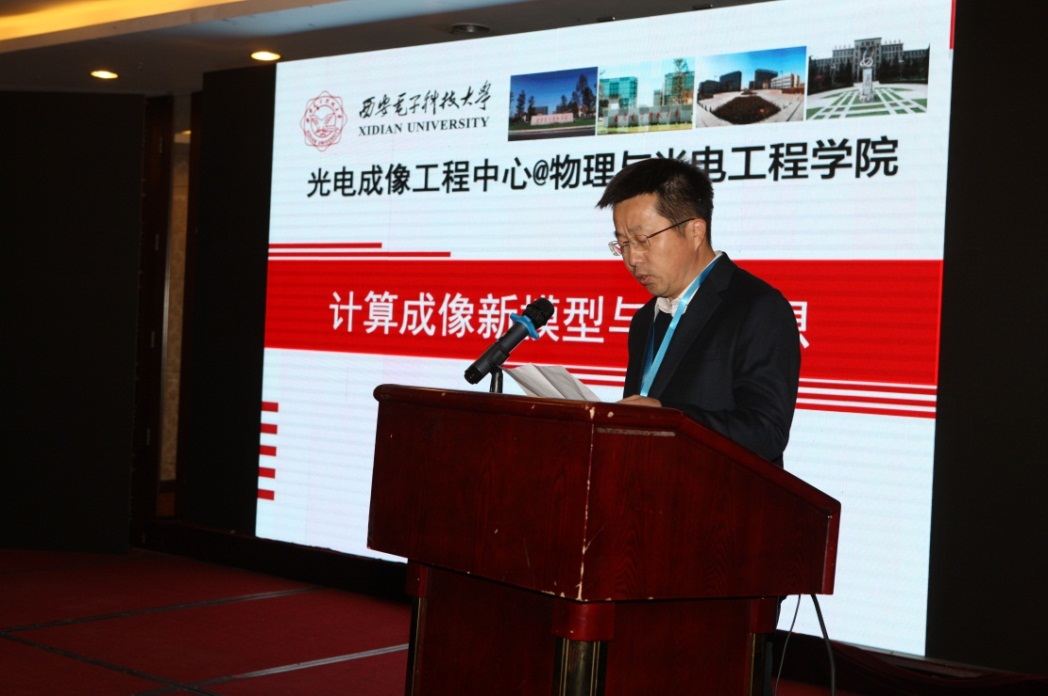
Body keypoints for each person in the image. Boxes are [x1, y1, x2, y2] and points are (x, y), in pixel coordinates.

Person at [597, 157, 800, 466]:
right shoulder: (644, 319)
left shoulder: (757, 307)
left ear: (695, 231)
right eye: (623, 243)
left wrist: (669, 418)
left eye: (642, 240)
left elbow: (766, 432)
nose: (632, 258)